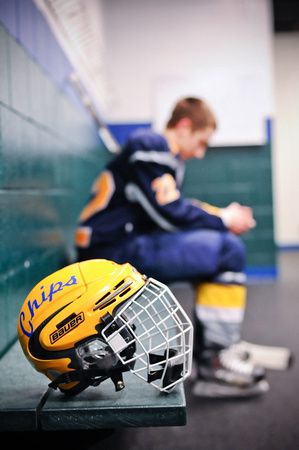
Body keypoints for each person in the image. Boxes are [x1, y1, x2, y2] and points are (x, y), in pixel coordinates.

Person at [74, 97, 269, 398]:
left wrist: (219, 215)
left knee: (218, 249)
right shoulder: (151, 143)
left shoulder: (159, 155)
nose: (201, 153)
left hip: (117, 246)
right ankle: (216, 358)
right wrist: (223, 219)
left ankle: (218, 348)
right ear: (184, 126)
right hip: (111, 255)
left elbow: (171, 208)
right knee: (228, 250)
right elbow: (169, 213)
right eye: (201, 142)